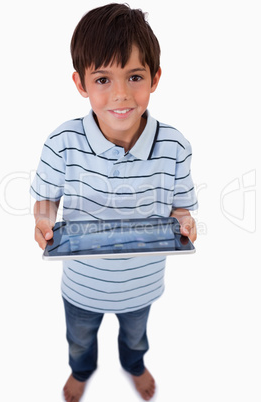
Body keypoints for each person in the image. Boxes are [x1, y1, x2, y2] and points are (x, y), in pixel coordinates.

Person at [31, 3, 198, 401]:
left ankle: (134, 366)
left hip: (142, 284)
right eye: (103, 78)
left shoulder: (174, 146)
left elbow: (181, 207)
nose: (121, 94)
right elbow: (46, 199)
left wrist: (186, 221)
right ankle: (81, 371)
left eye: (135, 76)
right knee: (79, 339)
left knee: (136, 336)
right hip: (82, 284)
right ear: (80, 83)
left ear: (155, 78)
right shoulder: (62, 143)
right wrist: (42, 220)